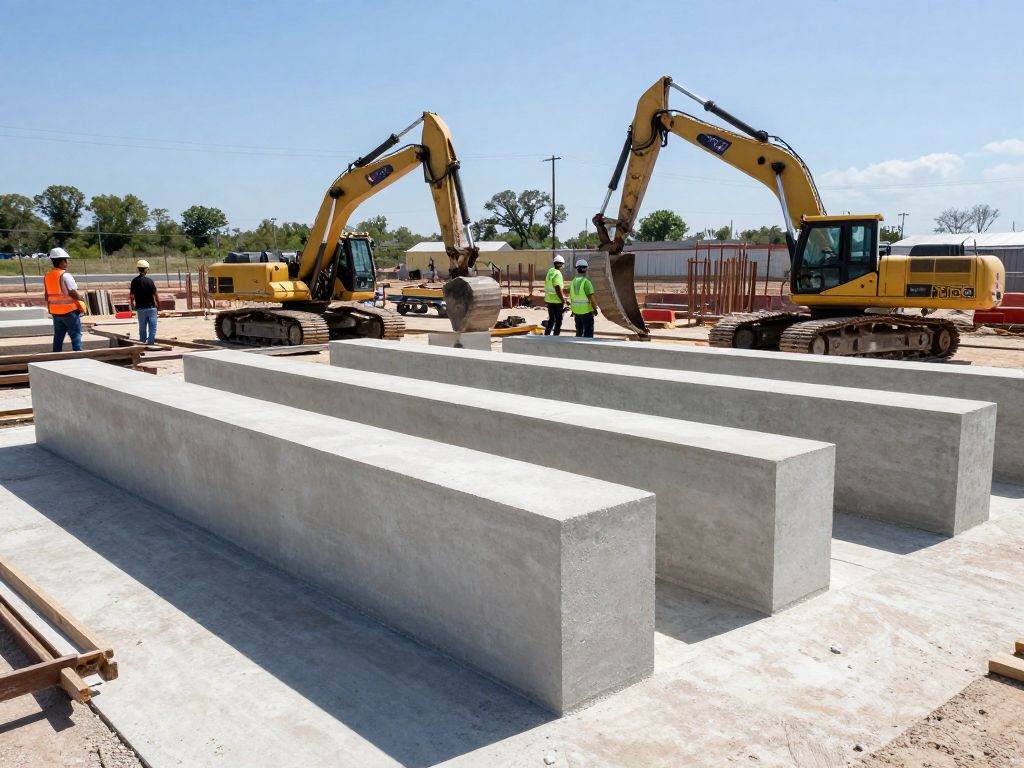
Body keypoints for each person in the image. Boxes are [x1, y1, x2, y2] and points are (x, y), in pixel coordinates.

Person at [44, 247, 85, 352]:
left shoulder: (47, 276)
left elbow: (46, 296)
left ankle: (56, 356)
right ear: (62, 262)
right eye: (65, 261)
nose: (66, 263)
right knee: (76, 334)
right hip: (69, 311)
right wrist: (82, 299)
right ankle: (79, 356)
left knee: (58, 336)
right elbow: (73, 292)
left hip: (55, 312)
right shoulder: (65, 275)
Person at [130, 259, 159, 345]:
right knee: (152, 326)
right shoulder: (149, 281)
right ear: (146, 270)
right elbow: (156, 295)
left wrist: (132, 304)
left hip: (140, 308)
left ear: (138, 269)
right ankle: (151, 342)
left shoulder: (134, 281)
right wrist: (159, 305)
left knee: (142, 327)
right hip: (151, 308)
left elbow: (132, 296)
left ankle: (142, 342)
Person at [568, 259, 599, 338]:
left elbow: (571, 297)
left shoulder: (572, 282)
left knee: (579, 332)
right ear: (585, 269)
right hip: (586, 312)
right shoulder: (586, 282)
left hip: (576, 312)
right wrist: (595, 309)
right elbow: (592, 298)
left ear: (577, 269)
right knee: (588, 333)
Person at [543, 254, 568, 336]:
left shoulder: (550, 271)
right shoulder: (557, 273)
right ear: (560, 264)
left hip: (549, 300)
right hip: (557, 301)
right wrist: (563, 299)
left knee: (551, 320)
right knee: (558, 321)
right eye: (562, 264)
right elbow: (557, 287)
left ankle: (546, 336)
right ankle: (555, 337)